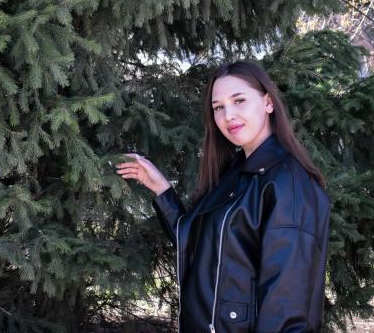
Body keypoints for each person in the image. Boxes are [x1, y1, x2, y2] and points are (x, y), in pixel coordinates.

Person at [115, 61, 331, 333]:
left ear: (268, 103)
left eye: (239, 101)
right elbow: (201, 246)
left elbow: (287, 308)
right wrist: (162, 190)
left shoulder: (288, 184)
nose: (228, 115)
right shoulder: (236, 172)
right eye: (218, 107)